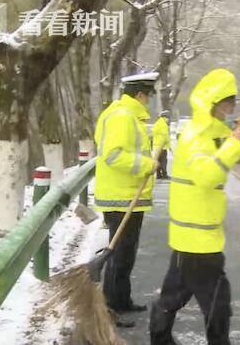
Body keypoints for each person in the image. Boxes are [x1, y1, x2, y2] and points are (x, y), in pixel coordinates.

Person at [149, 69, 240, 345]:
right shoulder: (196, 135)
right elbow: (206, 176)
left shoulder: (209, 133)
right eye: (227, 103)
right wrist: (232, 146)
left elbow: (218, 159)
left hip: (193, 235)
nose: (230, 109)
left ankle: (159, 336)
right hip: (198, 239)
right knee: (218, 302)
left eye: (233, 104)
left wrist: (231, 143)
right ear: (213, 103)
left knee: (174, 295)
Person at [94, 72, 160, 327]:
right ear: (140, 95)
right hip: (121, 197)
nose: (149, 102)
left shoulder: (126, 114)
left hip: (128, 195)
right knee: (119, 254)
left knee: (126, 253)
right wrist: (146, 164)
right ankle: (110, 307)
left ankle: (121, 300)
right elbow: (113, 155)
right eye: (149, 96)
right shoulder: (122, 117)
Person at [152, 110, 171, 179]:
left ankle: (158, 175)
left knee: (158, 161)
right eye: (167, 118)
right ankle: (164, 175)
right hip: (163, 147)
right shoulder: (163, 125)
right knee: (163, 161)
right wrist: (169, 146)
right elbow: (165, 136)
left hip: (156, 146)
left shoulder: (156, 124)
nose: (168, 120)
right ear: (165, 117)